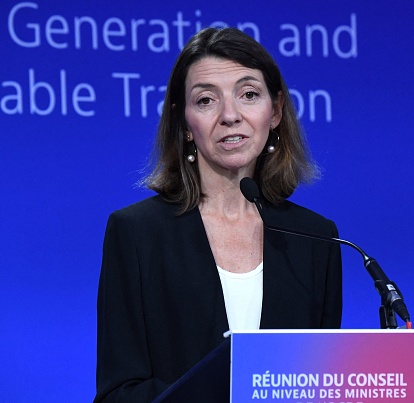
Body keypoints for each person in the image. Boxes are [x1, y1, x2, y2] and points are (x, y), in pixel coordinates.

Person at [94, 27, 342, 402]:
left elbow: (322, 387)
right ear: (184, 123)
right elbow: (119, 391)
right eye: (207, 100)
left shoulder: (316, 239)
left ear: (274, 112)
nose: (230, 115)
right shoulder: (137, 233)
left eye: (248, 95)